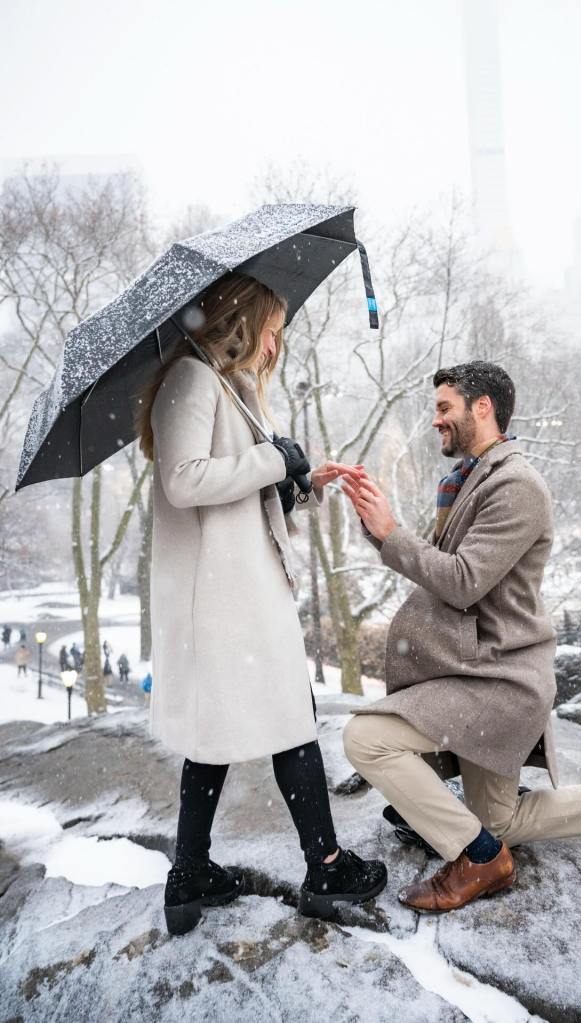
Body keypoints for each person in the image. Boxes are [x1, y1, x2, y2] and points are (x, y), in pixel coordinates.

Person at [341, 361, 581, 913]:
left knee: (366, 739)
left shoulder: (516, 486)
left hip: (497, 680)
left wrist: (392, 534)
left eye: (444, 407)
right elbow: (443, 563)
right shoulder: (471, 478)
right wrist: (375, 523)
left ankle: (480, 860)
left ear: (483, 408)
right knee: (500, 821)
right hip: (475, 669)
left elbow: (461, 582)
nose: (436, 420)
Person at [136, 272, 386, 936]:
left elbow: (245, 489)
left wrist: (302, 479)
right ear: (245, 321)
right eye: (274, 326)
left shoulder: (229, 386)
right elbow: (184, 480)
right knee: (291, 722)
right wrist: (273, 462)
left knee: (220, 735)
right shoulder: (190, 379)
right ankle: (325, 865)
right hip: (225, 600)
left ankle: (189, 876)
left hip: (240, 592)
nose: (277, 343)